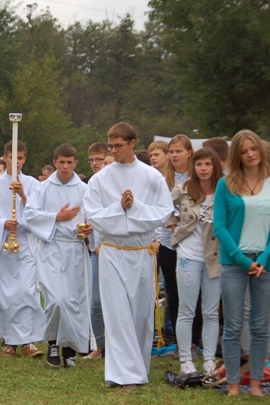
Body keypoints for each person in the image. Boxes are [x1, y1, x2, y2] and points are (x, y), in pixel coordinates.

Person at [83, 122, 173, 387]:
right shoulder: (101, 178)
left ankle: (138, 368)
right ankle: (122, 373)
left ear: (133, 143)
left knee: (141, 314)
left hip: (142, 251)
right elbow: (93, 214)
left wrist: (135, 207)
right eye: (111, 145)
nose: (114, 150)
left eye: (119, 145)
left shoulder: (151, 176)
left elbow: (163, 211)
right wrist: (119, 207)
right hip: (112, 251)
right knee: (117, 312)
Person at [213, 129, 270, 397]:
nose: (250, 154)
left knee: (260, 326)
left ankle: (256, 384)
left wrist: (265, 258)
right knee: (234, 326)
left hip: (265, 263)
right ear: (237, 155)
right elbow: (220, 227)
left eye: (253, 149)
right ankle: (234, 383)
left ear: (260, 149)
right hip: (234, 262)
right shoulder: (226, 184)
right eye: (244, 151)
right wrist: (241, 259)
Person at [24, 144, 93, 368]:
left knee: (74, 301)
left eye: (69, 162)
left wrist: (88, 230)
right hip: (51, 247)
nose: (65, 166)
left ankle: (69, 348)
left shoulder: (84, 189)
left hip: (75, 249)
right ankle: (53, 342)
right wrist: (56, 217)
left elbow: (93, 215)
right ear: (55, 162)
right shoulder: (43, 188)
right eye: (61, 162)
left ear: (75, 163)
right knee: (56, 300)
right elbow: (30, 215)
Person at [0, 140, 46, 358]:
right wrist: (2, 224)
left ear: (24, 159)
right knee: (4, 293)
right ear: (5, 157)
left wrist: (24, 197)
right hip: (2, 245)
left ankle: (28, 341)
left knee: (26, 291)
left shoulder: (33, 184)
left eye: (20, 158)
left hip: (25, 243)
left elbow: (39, 215)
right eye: (12, 157)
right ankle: (9, 341)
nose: (16, 161)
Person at [168, 148, 223, 375]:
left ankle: (209, 359)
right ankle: (186, 360)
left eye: (208, 164)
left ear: (215, 167)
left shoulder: (224, 191)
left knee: (211, 311)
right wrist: (175, 228)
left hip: (215, 258)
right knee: (187, 310)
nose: (203, 169)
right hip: (188, 256)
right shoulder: (183, 189)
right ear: (194, 166)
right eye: (199, 164)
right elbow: (163, 209)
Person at [160, 134, 195, 348]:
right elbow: (162, 210)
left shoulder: (199, 177)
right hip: (168, 241)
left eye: (178, 151)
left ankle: (196, 339)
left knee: (193, 291)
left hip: (194, 241)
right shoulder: (164, 180)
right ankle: (176, 339)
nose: (174, 155)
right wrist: (174, 226)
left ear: (189, 153)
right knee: (173, 291)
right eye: (171, 151)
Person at [82, 142, 108, 359]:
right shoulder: (90, 184)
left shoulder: (114, 183)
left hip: (116, 248)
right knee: (96, 301)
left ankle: (116, 345)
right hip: (95, 251)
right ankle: (98, 345)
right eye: (91, 160)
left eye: (99, 159)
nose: (95, 164)